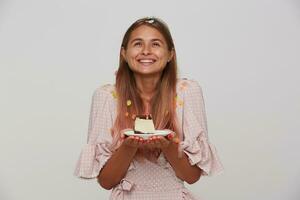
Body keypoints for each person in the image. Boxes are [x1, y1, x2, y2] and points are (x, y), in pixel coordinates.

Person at [74, 16, 224, 200]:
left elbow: (192, 177)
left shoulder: (186, 92)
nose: (146, 51)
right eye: (138, 44)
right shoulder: (106, 97)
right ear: (124, 53)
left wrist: (168, 145)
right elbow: (106, 181)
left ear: (170, 54)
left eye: (155, 44)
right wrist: (129, 146)